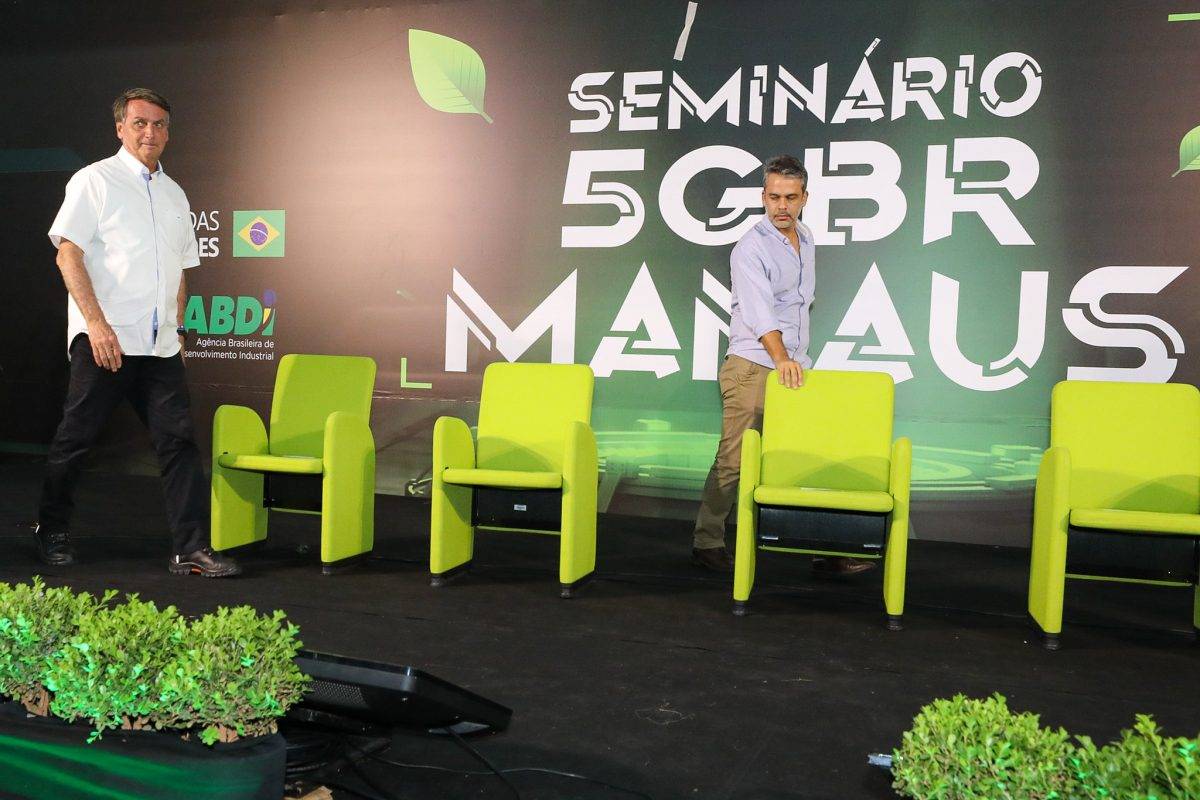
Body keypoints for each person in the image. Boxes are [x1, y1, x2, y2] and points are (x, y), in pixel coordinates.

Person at [34, 88, 240, 578]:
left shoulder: (175, 194)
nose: (151, 132)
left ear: (168, 132)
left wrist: (180, 329)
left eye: (160, 124)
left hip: (161, 346)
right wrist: (96, 325)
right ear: (120, 128)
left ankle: (190, 548)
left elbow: (180, 269)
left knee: (179, 444)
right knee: (75, 441)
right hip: (105, 342)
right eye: (140, 123)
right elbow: (68, 254)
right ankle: (52, 529)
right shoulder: (94, 180)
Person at [690, 154, 873, 577]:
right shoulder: (750, 247)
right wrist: (782, 359)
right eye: (774, 197)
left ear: (805, 198)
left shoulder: (806, 238)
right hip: (753, 366)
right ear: (763, 196)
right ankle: (707, 542)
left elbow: (800, 304)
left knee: (810, 458)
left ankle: (825, 549)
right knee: (734, 460)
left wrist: (793, 360)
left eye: (790, 197)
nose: (782, 206)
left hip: (793, 366)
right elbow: (760, 313)